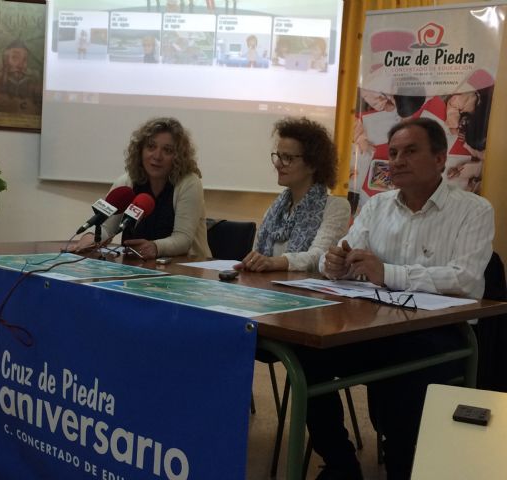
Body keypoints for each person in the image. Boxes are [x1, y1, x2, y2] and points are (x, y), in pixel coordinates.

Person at [303, 117, 494, 480]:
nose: (398, 160)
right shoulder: (378, 206)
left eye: (410, 151)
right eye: (393, 153)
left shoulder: (474, 210)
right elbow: (350, 255)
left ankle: (403, 464)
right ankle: (341, 464)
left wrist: (387, 272)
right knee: (310, 355)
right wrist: (337, 263)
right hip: (375, 324)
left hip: (439, 333)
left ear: (440, 159)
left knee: (402, 385)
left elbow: (466, 281)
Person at [73, 117, 210, 260]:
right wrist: (90, 238)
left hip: (186, 269)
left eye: (167, 150)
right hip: (136, 267)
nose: (157, 156)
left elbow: (183, 239)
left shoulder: (189, 183)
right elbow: (107, 228)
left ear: (178, 156)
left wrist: (155, 247)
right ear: (140, 150)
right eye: (151, 147)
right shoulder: (127, 181)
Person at [235, 117, 350, 272]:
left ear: (313, 164)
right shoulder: (276, 208)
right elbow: (257, 254)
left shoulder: (336, 207)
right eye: (278, 156)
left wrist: (273, 263)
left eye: (287, 158)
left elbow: (319, 257)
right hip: (267, 289)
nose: (277, 164)